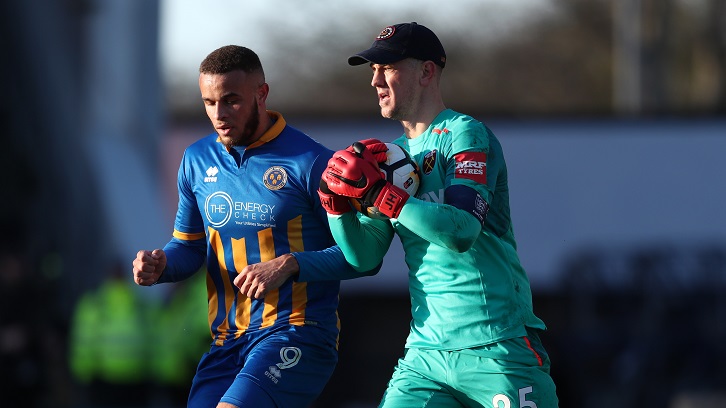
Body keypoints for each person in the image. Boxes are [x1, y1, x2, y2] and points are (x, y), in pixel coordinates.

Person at [320, 22, 560, 407]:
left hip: (496, 346)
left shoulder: (465, 133)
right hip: (425, 356)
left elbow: (461, 231)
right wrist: (334, 205)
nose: (376, 81)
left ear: (427, 72)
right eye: (373, 70)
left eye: (388, 68)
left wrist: (381, 194)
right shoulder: (387, 157)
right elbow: (363, 257)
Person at [132, 45, 378, 408]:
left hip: (296, 332)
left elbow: (362, 258)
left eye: (231, 100)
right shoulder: (197, 159)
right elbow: (188, 247)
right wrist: (162, 265)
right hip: (226, 341)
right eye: (209, 102)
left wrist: (290, 264)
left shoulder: (312, 163)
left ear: (261, 94)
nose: (219, 114)